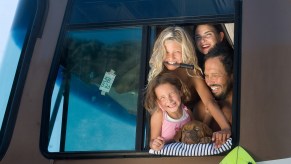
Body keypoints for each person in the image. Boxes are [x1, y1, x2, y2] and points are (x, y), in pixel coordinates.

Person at [147, 26, 231, 148]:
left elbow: (209, 102)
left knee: (206, 107)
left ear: (185, 51)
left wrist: (225, 128)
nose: (171, 58)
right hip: (165, 125)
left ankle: (203, 141)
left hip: (190, 121)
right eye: (166, 52)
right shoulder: (158, 74)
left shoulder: (191, 72)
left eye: (177, 52)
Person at [144, 73, 194, 151]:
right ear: (158, 102)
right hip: (167, 156)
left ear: (180, 92)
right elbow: (152, 141)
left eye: (172, 94)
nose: (169, 100)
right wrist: (155, 144)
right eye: (162, 98)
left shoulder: (187, 112)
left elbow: (195, 131)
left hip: (186, 154)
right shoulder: (159, 115)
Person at [194, 45, 233, 132]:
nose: (209, 82)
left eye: (215, 75)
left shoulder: (248, 107)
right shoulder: (202, 109)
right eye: (206, 76)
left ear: (232, 75)